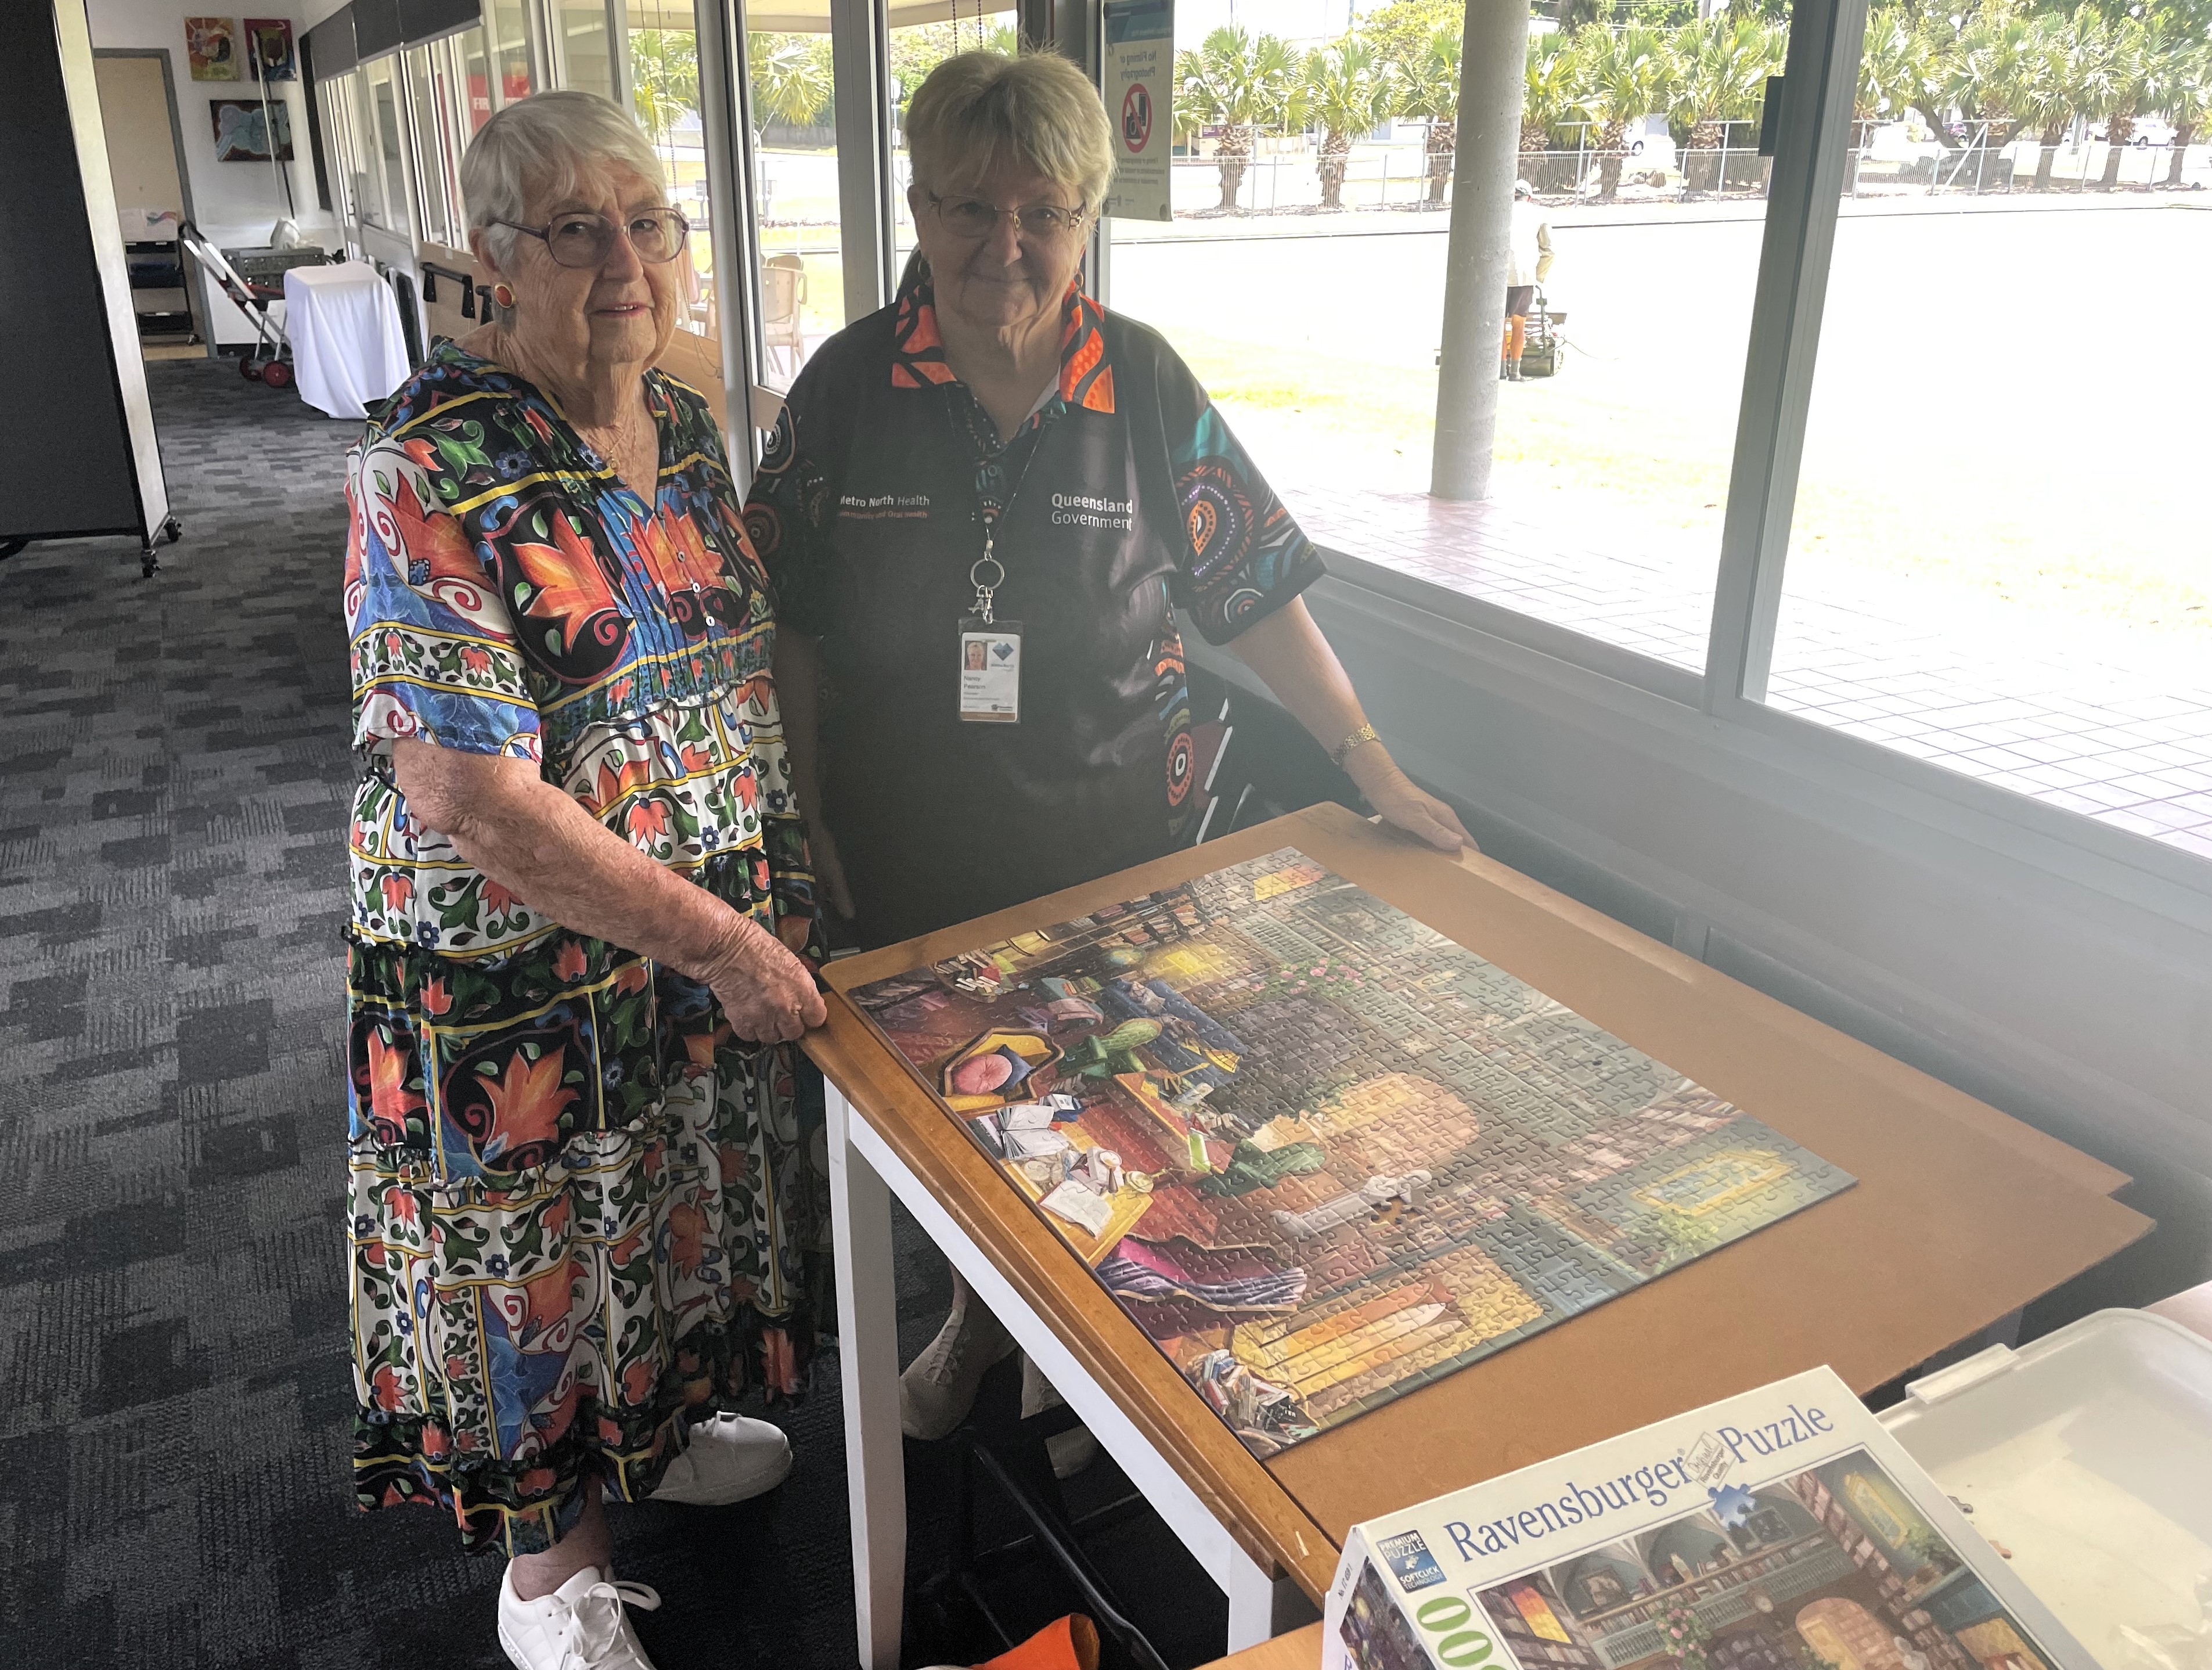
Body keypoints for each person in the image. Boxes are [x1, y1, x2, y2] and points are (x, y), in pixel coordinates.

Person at [743, 50, 1474, 1458]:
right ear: (918, 205)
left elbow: (1253, 589)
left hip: (1115, 846)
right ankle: (980, 1316)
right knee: (967, 1113)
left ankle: (1087, 1350)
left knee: (1114, 1111)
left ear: (1086, 216)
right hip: (908, 842)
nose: (1005, 244)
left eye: (1045, 211)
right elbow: (795, 627)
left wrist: (1368, 757)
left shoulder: (1141, 381)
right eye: (970, 206)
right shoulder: (848, 386)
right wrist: (809, 811)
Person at [341, 89, 828, 1670]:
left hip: (680, 939)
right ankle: (551, 1575)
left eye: (648, 221)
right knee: (537, 1246)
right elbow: (471, 795)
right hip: (519, 968)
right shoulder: (427, 464)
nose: (626, 261)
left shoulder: (682, 424)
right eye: (573, 230)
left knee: (663, 1197)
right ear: (493, 261)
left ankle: (656, 1426)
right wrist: (722, 937)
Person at [1503, 179, 1554, 381]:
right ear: (1530, 198)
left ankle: (1499, 371)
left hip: (1498, 275)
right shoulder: (1540, 214)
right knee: (1519, 325)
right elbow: (1549, 251)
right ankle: (1515, 373)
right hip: (1524, 276)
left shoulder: (1500, 209)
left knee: (1498, 326)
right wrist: (1538, 277)